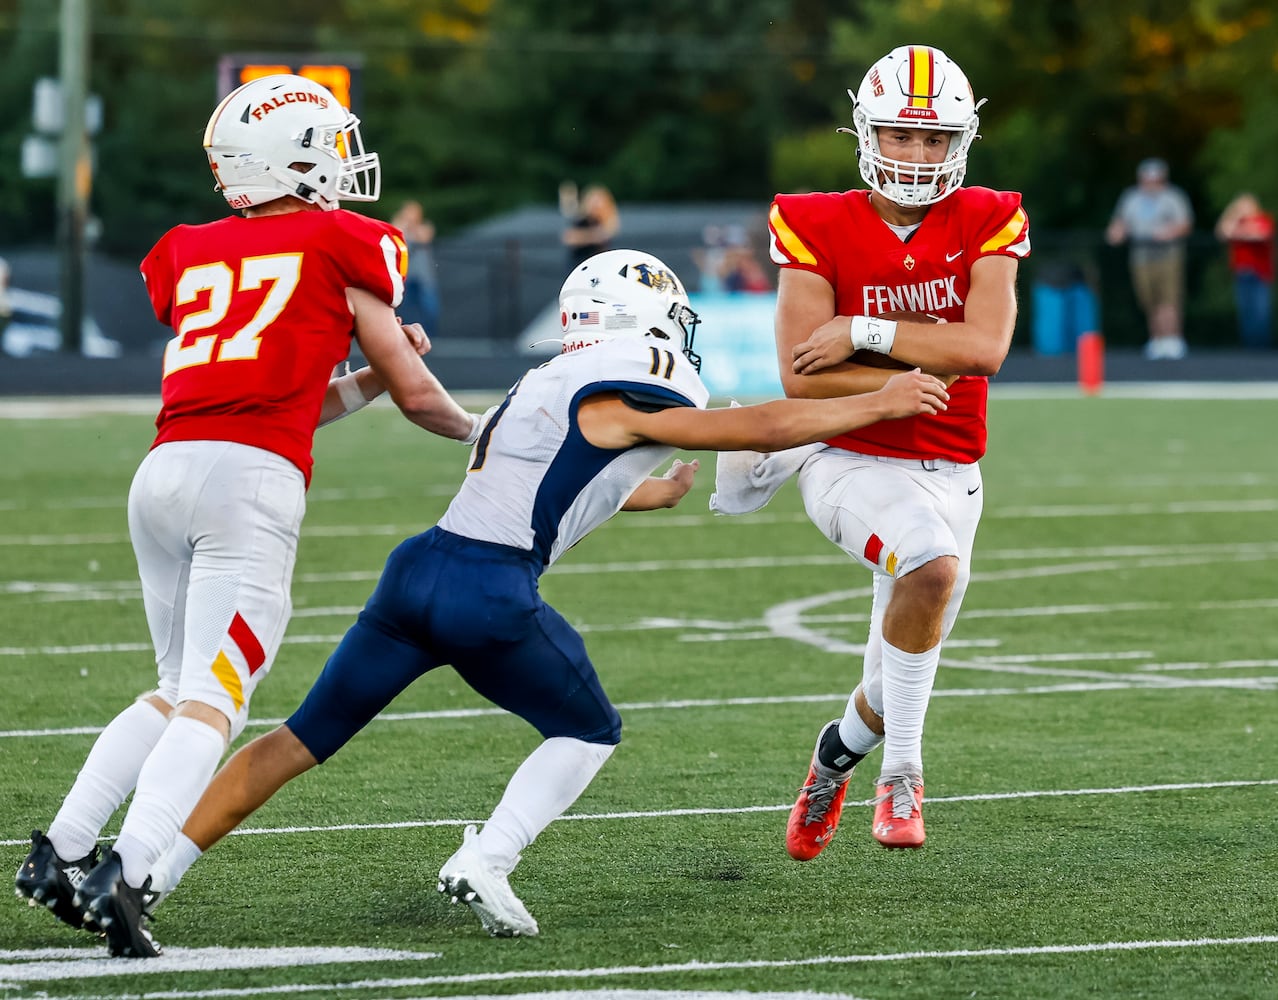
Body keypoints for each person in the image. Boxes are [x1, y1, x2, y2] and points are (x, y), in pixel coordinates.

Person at [134, 249, 949, 948]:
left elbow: (547, 472)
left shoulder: (549, 379)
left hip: (418, 571)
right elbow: (759, 427)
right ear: (645, 319)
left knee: (298, 739)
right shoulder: (635, 379)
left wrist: (646, 495)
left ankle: (145, 877)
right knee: (589, 729)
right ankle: (487, 858)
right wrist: (877, 401)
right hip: (489, 591)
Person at [13, 73, 482, 958]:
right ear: (293, 159)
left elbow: (299, 399)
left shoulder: (189, 249)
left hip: (163, 471)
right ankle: (131, 870)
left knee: (174, 686)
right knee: (215, 703)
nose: (344, 164)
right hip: (247, 486)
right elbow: (424, 400)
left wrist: (375, 378)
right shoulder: (345, 242)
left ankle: (61, 851)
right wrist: (481, 430)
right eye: (329, 147)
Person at [740, 44, 1030, 859]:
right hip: (850, 462)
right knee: (931, 571)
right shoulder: (814, 220)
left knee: (899, 656)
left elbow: (984, 348)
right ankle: (902, 773)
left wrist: (865, 334)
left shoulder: (986, 215)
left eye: (933, 140)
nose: (916, 154)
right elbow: (801, 378)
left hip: (955, 472)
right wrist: (888, 390)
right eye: (901, 136)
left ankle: (832, 759)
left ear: (959, 144)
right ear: (868, 133)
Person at [1104, 157, 1194, 360]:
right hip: (1141, 255)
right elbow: (1121, 223)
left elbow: (1185, 224)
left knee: (1169, 297)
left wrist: (1167, 233)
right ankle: (1157, 339)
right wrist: (1116, 232)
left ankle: (1173, 338)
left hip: (1168, 254)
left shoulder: (1172, 197)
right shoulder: (1131, 198)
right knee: (1148, 298)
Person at [1214, 192, 1273, 349]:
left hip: (1259, 272)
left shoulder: (1263, 219)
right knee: (1245, 309)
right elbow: (1222, 232)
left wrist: (1241, 232)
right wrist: (1232, 213)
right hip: (1241, 272)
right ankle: (1249, 344)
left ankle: (1262, 344)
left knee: (1260, 309)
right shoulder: (1236, 221)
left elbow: (1260, 235)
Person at [390, 199, 441, 335]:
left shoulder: (425, 226)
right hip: (406, 275)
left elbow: (423, 237)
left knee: (429, 307)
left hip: (424, 276)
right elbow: (394, 236)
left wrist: (411, 226)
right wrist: (402, 223)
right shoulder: (401, 227)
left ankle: (431, 334)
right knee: (402, 306)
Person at [559, 181, 620, 269]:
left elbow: (605, 234)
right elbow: (569, 237)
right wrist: (592, 236)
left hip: (599, 264)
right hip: (579, 263)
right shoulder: (580, 220)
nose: (596, 205)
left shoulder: (604, 221)